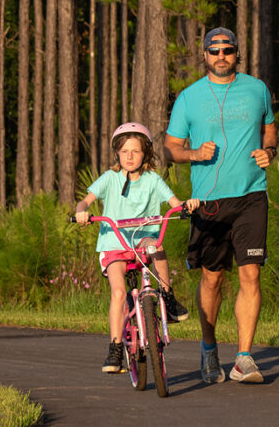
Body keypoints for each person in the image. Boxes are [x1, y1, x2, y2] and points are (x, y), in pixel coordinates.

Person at [164, 27, 277, 384]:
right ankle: (209, 347)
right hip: (209, 202)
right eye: (214, 51)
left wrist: (268, 150)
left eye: (227, 50)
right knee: (212, 279)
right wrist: (194, 153)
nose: (221, 56)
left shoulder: (257, 89)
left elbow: (270, 129)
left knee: (251, 273)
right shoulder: (189, 97)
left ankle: (244, 358)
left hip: (251, 196)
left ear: (237, 53)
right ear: (204, 55)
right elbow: (170, 147)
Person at [75, 122, 199, 374]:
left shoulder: (152, 180)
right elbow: (85, 201)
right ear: (117, 154)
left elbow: (175, 202)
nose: (129, 157)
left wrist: (187, 205)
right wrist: (82, 213)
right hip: (114, 243)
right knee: (119, 292)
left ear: (146, 154)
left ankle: (166, 295)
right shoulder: (110, 179)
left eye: (135, 151)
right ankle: (115, 347)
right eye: (124, 151)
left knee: (156, 247)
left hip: (143, 240)